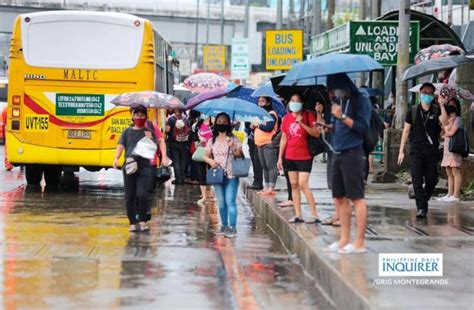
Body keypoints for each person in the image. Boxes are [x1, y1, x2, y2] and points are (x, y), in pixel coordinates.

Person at [325, 73, 371, 254]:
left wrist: (342, 116)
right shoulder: (339, 101)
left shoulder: (361, 100)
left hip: (353, 153)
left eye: (333, 89)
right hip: (337, 151)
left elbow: (362, 128)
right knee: (339, 197)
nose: (332, 94)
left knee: (356, 198)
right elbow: (338, 126)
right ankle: (344, 238)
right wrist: (327, 126)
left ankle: (359, 242)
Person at [113, 105, 162, 232]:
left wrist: (150, 139)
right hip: (129, 166)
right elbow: (121, 145)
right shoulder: (127, 131)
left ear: (145, 117)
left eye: (142, 115)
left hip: (145, 167)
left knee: (143, 194)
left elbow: (155, 147)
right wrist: (116, 158)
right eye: (137, 115)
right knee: (130, 196)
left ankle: (142, 220)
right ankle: (132, 222)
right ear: (133, 116)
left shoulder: (149, 132)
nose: (139, 117)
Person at [398, 82, 442, 219]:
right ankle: (421, 208)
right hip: (416, 149)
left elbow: (445, 123)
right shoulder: (413, 111)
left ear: (433, 95)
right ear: (420, 93)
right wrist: (401, 151)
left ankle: (424, 198)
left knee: (431, 179)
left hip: (431, 150)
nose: (427, 95)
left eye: (430, 93)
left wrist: (441, 105)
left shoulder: (437, 110)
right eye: (424, 93)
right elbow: (405, 131)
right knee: (416, 179)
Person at [277, 93, 321, 224]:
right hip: (290, 156)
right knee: (294, 185)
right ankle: (298, 214)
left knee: (303, 184)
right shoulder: (286, 118)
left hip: (305, 155)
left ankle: (314, 214)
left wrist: (302, 123)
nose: (294, 103)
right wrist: (280, 157)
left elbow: (316, 133)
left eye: (297, 100)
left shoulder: (308, 115)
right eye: (292, 100)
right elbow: (284, 138)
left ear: (302, 103)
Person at [204, 112, 243, 238]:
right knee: (221, 203)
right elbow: (205, 155)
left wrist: (233, 146)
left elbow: (240, 155)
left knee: (230, 202)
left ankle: (233, 227)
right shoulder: (212, 140)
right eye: (219, 121)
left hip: (231, 175)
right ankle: (224, 225)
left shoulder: (234, 139)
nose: (221, 124)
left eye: (224, 121)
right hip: (217, 175)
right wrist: (210, 161)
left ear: (229, 123)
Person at [437, 97, 462, 203]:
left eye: (453, 104)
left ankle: (456, 195)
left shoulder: (458, 119)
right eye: (449, 104)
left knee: (455, 170)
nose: (451, 106)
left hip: (454, 148)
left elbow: (451, 133)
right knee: (448, 171)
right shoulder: (448, 119)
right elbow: (442, 133)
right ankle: (450, 194)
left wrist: (446, 129)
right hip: (447, 148)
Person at [254, 96, 279, 196]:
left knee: (271, 166)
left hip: (269, 143)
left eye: (263, 101)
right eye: (259, 101)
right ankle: (266, 187)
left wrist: (258, 124)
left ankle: (271, 187)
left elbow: (268, 127)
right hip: (259, 143)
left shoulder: (271, 114)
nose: (260, 103)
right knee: (264, 166)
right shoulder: (260, 114)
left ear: (268, 103)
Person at [166, 109, 191, 185]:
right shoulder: (185, 119)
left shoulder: (171, 119)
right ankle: (183, 179)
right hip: (184, 143)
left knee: (176, 161)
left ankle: (178, 179)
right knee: (183, 161)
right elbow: (189, 130)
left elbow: (167, 130)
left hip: (174, 143)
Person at [194, 115, 213, 204]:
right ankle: (204, 196)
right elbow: (192, 136)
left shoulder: (213, 124)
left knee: (213, 172)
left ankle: (214, 193)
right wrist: (199, 138)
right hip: (201, 151)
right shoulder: (197, 125)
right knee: (201, 173)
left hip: (212, 152)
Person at [245, 121, 264, 191]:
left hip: (259, 138)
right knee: (253, 160)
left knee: (257, 161)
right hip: (251, 137)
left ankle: (258, 182)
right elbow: (246, 124)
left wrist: (257, 124)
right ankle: (256, 180)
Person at [1, 107, 13, 171]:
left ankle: (8, 165)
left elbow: (3, 124)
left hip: (8, 131)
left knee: (7, 149)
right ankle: (22, 165)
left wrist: (3, 137)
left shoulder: (5, 110)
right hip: (18, 131)